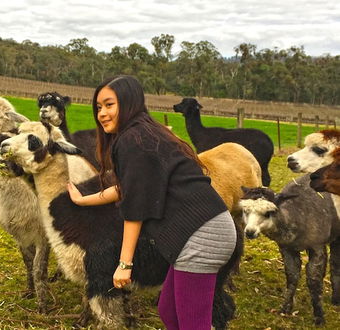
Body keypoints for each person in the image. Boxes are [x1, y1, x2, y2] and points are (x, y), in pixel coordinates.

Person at [67, 75, 237, 329]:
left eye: (109, 105)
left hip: (202, 235)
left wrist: (124, 265)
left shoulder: (133, 140)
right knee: (169, 312)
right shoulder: (143, 135)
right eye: (98, 107)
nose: (102, 113)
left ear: (129, 103)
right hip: (202, 230)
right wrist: (85, 199)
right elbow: (129, 187)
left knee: (193, 324)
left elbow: (135, 207)